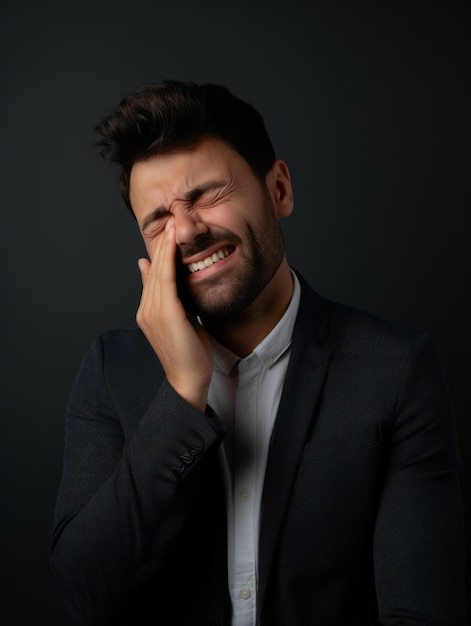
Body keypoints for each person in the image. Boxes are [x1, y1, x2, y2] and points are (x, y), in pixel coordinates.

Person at [50, 80, 465, 626]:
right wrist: (181, 394)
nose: (189, 231)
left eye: (207, 195)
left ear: (279, 189)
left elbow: (420, 612)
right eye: (158, 221)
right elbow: (82, 597)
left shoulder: (395, 368)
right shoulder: (110, 370)